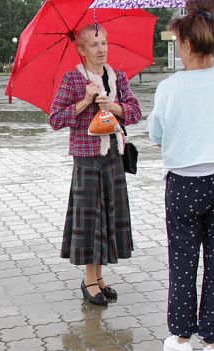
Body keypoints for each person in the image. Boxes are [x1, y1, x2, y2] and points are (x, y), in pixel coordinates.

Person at [147, 0, 214, 351]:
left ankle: (182, 342)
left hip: (182, 185)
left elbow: (157, 134)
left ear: (185, 43)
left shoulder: (169, 87)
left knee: (183, 263)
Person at [49, 23, 142, 307]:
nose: (101, 50)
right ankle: (90, 281)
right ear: (81, 49)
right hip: (87, 159)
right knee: (92, 220)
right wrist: (85, 101)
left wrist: (115, 107)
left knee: (109, 218)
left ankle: (98, 277)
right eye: (94, 44)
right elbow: (55, 119)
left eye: (104, 44)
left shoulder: (119, 78)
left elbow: (136, 112)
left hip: (113, 156)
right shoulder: (72, 80)